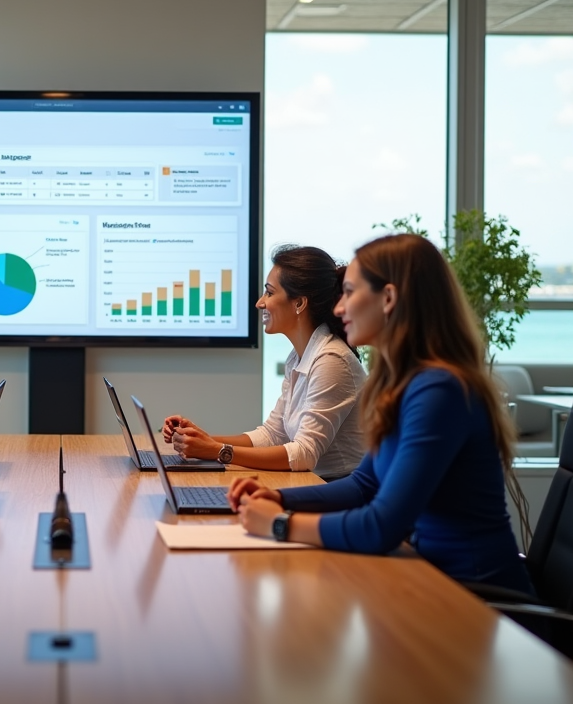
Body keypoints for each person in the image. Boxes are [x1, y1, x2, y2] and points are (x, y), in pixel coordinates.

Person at [231, 233, 534, 595]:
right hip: (429, 583)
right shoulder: (405, 384)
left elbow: (381, 526)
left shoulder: (440, 391)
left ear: (388, 298)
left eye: (350, 293)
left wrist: (280, 524)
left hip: (476, 601)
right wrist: (280, 498)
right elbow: (365, 485)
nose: (339, 309)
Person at [163, 245, 366, 480]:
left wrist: (218, 451)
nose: (260, 303)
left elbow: (303, 454)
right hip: (314, 482)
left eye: (269, 293)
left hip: (338, 489)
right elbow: (272, 434)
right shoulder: (300, 356)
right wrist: (203, 439)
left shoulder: (332, 360)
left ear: (299, 303)